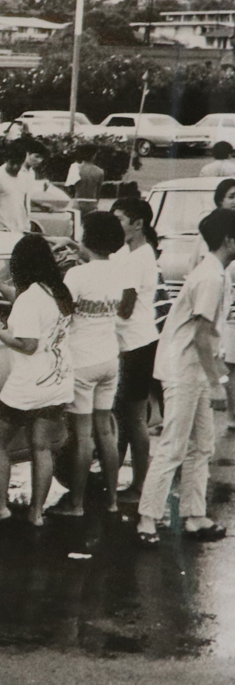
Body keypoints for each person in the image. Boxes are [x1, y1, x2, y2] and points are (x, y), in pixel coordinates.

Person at [136, 208, 235, 545]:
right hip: (184, 370)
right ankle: (147, 519)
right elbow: (203, 336)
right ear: (228, 240)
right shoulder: (211, 277)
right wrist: (219, 381)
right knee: (173, 447)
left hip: (193, 370)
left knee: (202, 445)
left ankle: (195, 516)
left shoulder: (217, 273)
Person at [0, 234, 74, 528]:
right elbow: (27, 307)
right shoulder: (56, 290)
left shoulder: (30, 298)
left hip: (28, 384)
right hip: (57, 380)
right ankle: (36, 514)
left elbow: (27, 344)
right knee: (40, 447)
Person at [50, 212, 127, 518]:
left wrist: (59, 273)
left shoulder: (77, 275)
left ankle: (76, 503)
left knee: (82, 437)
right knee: (106, 433)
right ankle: (112, 500)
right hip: (109, 358)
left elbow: (62, 311)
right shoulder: (119, 270)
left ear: (87, 238)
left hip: (81, 361)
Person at [110, 198, 163, 505]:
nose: (116, 225)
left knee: (133, 418)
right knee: (128, 417)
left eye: (120, 219)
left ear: (137, 223)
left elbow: (125, 310)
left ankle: (140, 485)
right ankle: (126, 481)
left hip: (136, 344)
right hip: (136, 342)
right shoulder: (131, 253)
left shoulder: (137, 258)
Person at [0, 144, 32, 232]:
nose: (15, 167)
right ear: (7, 160)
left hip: (19, 228)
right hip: (2, 228)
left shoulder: (24, 178)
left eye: (18, 164)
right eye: (12, 163)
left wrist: (26, 225)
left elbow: (24, 204)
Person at [64, 144, 105, 216]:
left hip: (78, 201)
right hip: (92, 202)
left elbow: (69, 187)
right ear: (93, 155)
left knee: (76, 225)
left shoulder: (75, 168)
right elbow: (98, 191)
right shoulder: (99, 171)